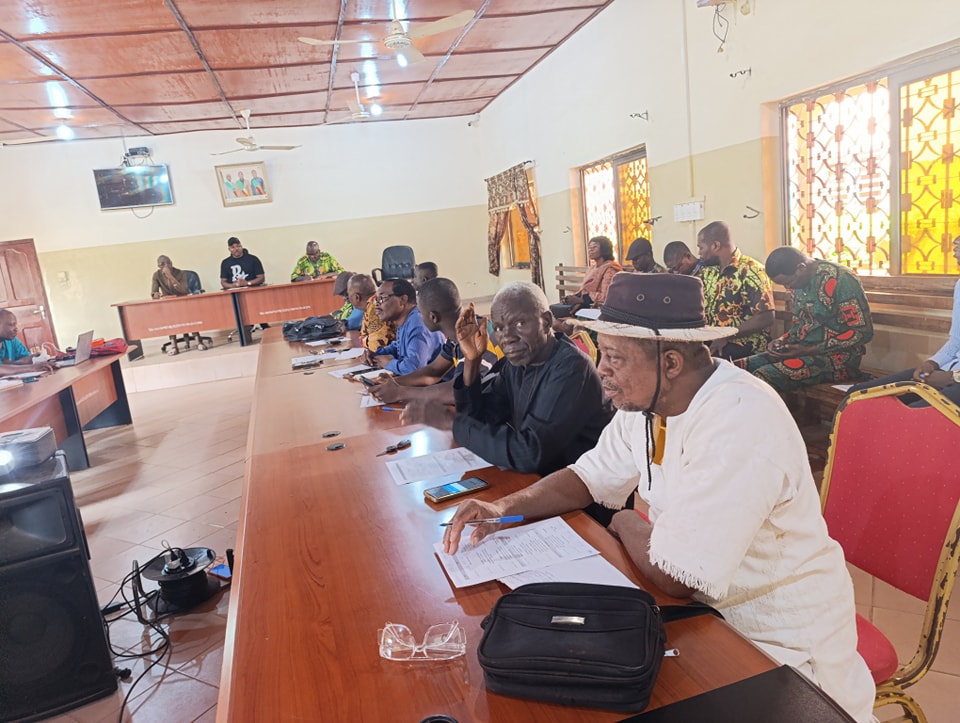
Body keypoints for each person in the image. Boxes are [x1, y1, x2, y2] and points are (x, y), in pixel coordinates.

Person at [440, 273, 876, 723]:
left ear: (669, 362)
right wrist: (502, 508)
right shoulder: (646, 405)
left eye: (612, 357)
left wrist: (626, 523)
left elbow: (677, 573)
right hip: (706, 618)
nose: (601, 369)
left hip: (778, 643)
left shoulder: (739, 419)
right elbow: (587, 476)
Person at [402, 281, 614, 482]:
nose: (507, 337)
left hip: (585, 501)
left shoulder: (571, 368)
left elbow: (529, 452)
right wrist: (472, 362)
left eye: (520, 323)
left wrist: (450, 421)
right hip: (541, 482)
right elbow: (481, 419)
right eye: (501, 328)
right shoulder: (517, 364)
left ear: (546, 321)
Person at [737, 247, 874, 391]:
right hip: (801, 351)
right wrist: (782, 340)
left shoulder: (841, 279)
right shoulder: (798, 283)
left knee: (762, 376)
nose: (788, 287)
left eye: (789, 282)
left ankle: (773, 413)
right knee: (738, 368)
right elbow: (801, 325)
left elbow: (863, 333)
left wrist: (808, 350)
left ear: (801, 268)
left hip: (840, 359)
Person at [848, 236, 960, 407]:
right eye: (955, 248)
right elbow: (956, 341)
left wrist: (953, 377)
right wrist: (931, 364)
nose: (954, 253)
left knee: (912, 417)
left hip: (953, 378)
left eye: (958, 249)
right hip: (945, 371)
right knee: (858, 397)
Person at [370, 277, 499, 405]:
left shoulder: (477, 334)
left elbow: (457, 391)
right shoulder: (455, 336)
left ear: (433, 317)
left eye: (420, 312)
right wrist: (395, 382)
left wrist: (400, 392)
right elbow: (434, 371)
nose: (418, 317)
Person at [696, 220, 775, 360]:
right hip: (715, 337)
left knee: (707, 360)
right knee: (682, 351)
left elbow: (766, 317)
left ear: (715, 246)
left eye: (701, 248)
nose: (699, 253)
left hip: (745, 341)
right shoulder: (708, 271)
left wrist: (728, 335)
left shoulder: (751, 270)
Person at [366, 278, 444, 375]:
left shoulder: (418, 322)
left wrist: (388, 363)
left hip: (436, 386)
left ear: (403, 299)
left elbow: (414, 369)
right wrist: (375, 354)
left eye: (382, 298)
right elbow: (399, 347)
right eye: (376, 299)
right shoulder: (406, 320)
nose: (376, 304)